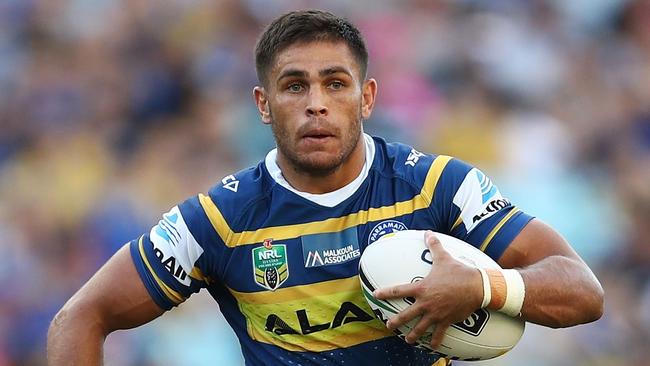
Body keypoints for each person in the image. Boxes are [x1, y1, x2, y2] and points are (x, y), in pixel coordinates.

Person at [47, 9, 604, 366]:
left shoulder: (436, 185)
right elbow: (79, 318)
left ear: (366, 98)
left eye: (335, 84)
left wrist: (484, 288)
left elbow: (582, 290)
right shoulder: (216, 220)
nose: (316, 102)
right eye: (294, 86)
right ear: (263, 105)